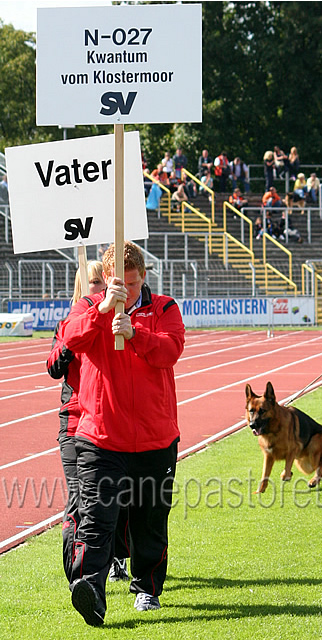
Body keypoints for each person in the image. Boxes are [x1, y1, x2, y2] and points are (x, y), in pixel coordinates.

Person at [60, 241, 185, 625]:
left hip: (155, 437)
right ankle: (90, 590)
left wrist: (136, 334)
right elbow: (69, 341)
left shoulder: (164, 308)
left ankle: (147, 587)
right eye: (119, 283)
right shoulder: (88, 307)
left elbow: (171, 350)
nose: (126, 291)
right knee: (97, 518)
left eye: (132, 283)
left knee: (150, 519)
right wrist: (101, 310)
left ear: (144, 277)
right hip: (100, 436)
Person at [47, 262, 130, 585]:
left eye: (103, 282)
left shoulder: (120, 321)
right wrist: (77, 336)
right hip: (75, 422)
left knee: (118, 499)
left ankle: (116, 559)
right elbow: (53, 367)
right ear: (81, 287)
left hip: (111, 421)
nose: (98, 288)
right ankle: (77, 573)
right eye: (93, 282)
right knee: (81, 500)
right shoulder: (69, 323)